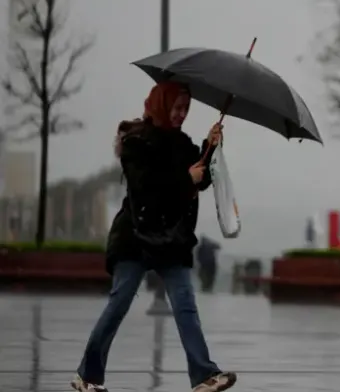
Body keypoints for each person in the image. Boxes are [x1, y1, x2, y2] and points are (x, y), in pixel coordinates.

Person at [71, 82, 237, 392]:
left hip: (172, 238)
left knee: (186, 304)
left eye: (186, 109)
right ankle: (88, 376)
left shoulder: (183, 144)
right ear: (161, 104)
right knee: (119, 303)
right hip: (136, 234)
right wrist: (185, 178)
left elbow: (199, 178)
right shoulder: (136, 143)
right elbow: (145, 188)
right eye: (176, 107)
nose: (181, 114)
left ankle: (203, 375)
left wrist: (210, 146)